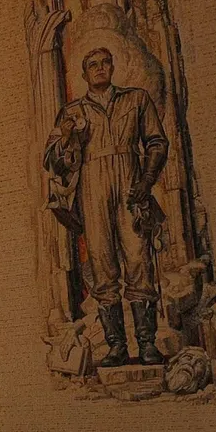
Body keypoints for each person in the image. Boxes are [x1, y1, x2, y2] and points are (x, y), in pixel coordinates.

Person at [42, 46, 170, 368]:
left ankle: (147, 343)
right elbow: (51, 161)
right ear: (84, 74)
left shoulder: (136, 99)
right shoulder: (72, 111)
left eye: (105, 63)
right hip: (92, 189)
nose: (99, 68)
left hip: (130, 184)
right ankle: (116, 346)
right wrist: (66, 137)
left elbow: (157, 142)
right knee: (101, 264)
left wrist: (146, 180)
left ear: (112, 67)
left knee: (139, 260)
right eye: (92, 65)